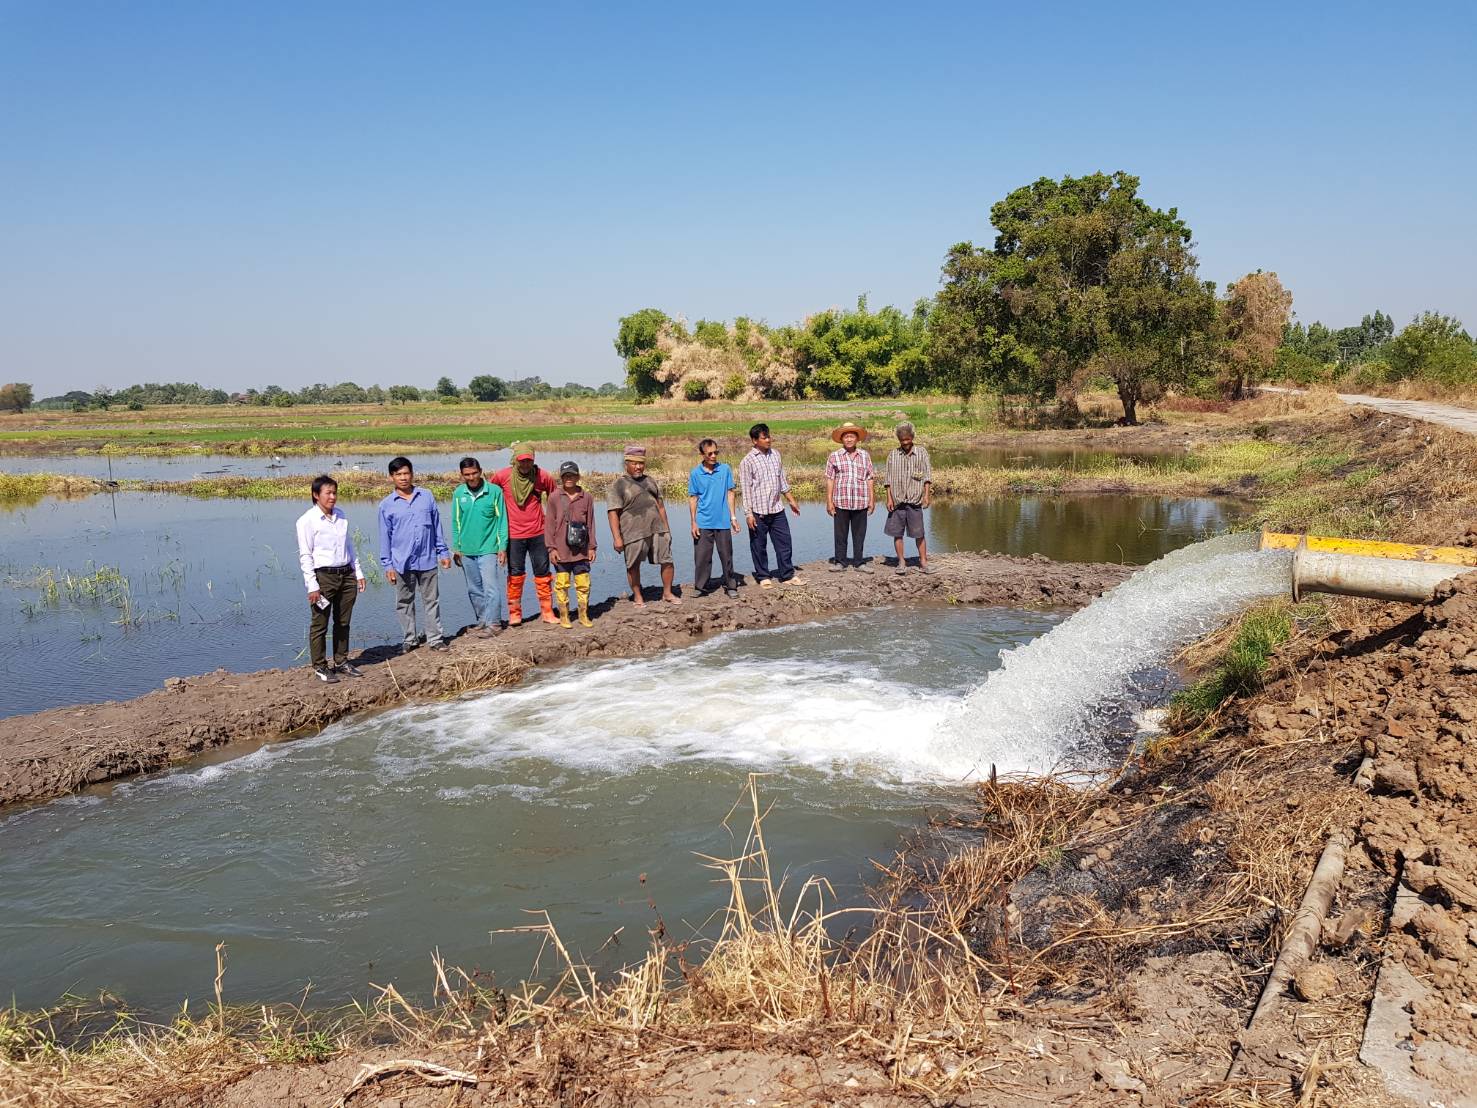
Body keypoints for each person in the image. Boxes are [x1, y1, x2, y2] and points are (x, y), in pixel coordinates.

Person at [295, 475, 367, 683]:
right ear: (316, 495)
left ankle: (341, 661)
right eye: (328, 493)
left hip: (346, 575)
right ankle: (320, 666)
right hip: (323, 577)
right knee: (320, 624)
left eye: (335, 493)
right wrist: (312, 585)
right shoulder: (306, 521)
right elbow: (305, 555)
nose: (333, 497)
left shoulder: (341, 516)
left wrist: (358, 572)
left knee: (343, 622)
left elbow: (349, 546)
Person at [377, 457, 451, 652]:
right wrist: (388, 565)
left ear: (412, 474)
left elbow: (436, 526)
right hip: (402, 562)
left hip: (427, 558)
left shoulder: (426, 496)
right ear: (391, 477)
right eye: (398, 474)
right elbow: (385, 538)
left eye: (406, 473)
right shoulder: (386, 505)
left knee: (431, 600)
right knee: (404, 602)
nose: (403, 478)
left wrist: (443, 552)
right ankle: (410, 639)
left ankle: (435, 639)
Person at [488, 444, 559, 626]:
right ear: (515, 460)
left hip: (539, 533)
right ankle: (514, 614)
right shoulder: (502, 476)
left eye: (529, 460)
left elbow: (555, 497)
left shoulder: (542, 476)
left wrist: (552, 522)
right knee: (515, 574)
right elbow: (490, 494)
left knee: (543, 573)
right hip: (513, 534)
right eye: (522, 461)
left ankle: (547, 612)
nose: (526, 464)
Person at [607, 444, 680, 607]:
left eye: (641, 463)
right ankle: (638, 596)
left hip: (657, 528)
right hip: (633, 532)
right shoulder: (618, 485)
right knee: (633, 565)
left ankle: (667, 593)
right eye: (634, 463)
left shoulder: (650, 481)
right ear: (626, 464)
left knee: (667, 560)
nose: (638, 467)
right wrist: (617, 538)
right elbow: (613, 513)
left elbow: (661, 506)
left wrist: (667, 530)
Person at [737, 423, 803, 589]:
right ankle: (763, 576)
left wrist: (791, 500)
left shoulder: (776, 455)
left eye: (769, 436)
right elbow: (746, 489)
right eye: (764, 437)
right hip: (758, 511)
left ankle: (787, 574)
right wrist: (748, 514)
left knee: (784, 542)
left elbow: (782, 480)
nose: (768, 440)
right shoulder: (747, 461)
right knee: (759, 546)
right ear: (755, 440)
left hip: (777, 508)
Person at [451, 456, 509, 637]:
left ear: (481, 471)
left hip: (489, 548)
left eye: (474, 473)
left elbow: (502, 521)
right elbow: (456, 522)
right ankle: (483, 620)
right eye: (467, 474)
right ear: (462, 475)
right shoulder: (459, 494)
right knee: (474, 589)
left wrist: (502, 547)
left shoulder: (494, 491)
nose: (471, 477)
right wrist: (456, 547)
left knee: (491, 588)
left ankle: (495, 624)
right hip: (467, 550)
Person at [545, 461, 598, 627]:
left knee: (583, 584)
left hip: (581, 550)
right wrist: (551, 548)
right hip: (561, 549)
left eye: (572, 475)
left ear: (578, 477)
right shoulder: (554, 497)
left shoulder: (586, 497)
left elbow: (591, 523)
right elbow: (549, 524)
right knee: (562, 584)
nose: (569, 478)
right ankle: (564, 616)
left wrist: (592, 547)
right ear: (561, 478)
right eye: (565, 476)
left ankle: (583, 615)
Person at [688, 438, 741, 598]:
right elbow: (693, 498)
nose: (713, 456)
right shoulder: (695, 473)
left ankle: (731, 585)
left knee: (726, 555)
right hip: (703, 522)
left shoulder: (725, 469)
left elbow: (730, 493)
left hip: (722, 521)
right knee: (702, 557)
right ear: (702, 454)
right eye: (709, 453)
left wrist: (733, 518)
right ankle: (700, 586)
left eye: (715, 452)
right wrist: (693, 522)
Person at [884, 421, 935, 575]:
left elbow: (927, 477)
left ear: (912, 437)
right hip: (897, 500)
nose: (905, 442)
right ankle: (901, 562)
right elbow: (888, 479)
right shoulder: (893, 454)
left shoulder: (922, 453)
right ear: (899, 440)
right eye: (902, 440)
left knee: (919, 533)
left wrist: (926, 496)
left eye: (907, 439)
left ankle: (923, 562)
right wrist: (889, 499)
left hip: (915, 501)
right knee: (897, 533)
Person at [825, 421, 876, 572]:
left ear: (857, 439)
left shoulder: (865, 456)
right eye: (846, 436)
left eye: (851, 436)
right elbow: (830, 479)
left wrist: (872, 499)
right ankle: (840, 562)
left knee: (859, 534)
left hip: (861, 501)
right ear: (841, 439)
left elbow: (870, 478)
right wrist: (829, 501)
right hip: (841, 501)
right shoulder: (834, 456)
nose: (849, 439)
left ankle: (859, 562)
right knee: (840, 534)